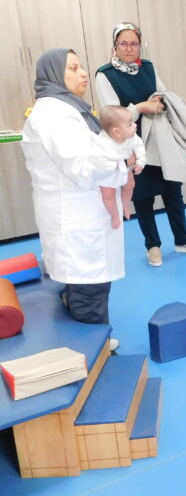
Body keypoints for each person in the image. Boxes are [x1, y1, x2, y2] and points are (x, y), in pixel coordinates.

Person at [21, 49, 130, 349]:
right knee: (88, 291)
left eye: (81, 66)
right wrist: (121, 163)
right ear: (54, 74)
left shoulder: (69, 109)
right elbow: (84, 169)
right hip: (77, 218)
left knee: (88, 286)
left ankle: (93, 346)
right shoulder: (54, 115)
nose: (83, 73)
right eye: (73, 68)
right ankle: (92, 356)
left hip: (83, 215)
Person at [95, 22, 186, 268]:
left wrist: (158, 101)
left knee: (173, 190)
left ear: (140, 45)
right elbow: (111, 117)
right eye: (123, 44)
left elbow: (163, 93)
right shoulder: (105, 75)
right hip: (131, 143)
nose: (129, 49)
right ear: (115, 46)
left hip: (160, 139)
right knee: (143, 197)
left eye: (134, 43)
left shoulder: (147, 67)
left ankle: (183, 239)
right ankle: (153, 246)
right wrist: (140, 107)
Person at [98, 105, 146, 229]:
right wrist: (115, 166)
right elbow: (98, 160)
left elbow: (139, 148)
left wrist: (140, 163)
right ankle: (114, 215)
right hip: (109, 172)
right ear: (117, 132)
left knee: (130, 185)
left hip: (126, 167)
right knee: (108, 194)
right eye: (130, 124)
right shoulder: (102, 142)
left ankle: (125, 205)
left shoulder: (132, 137)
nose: (135, 125)